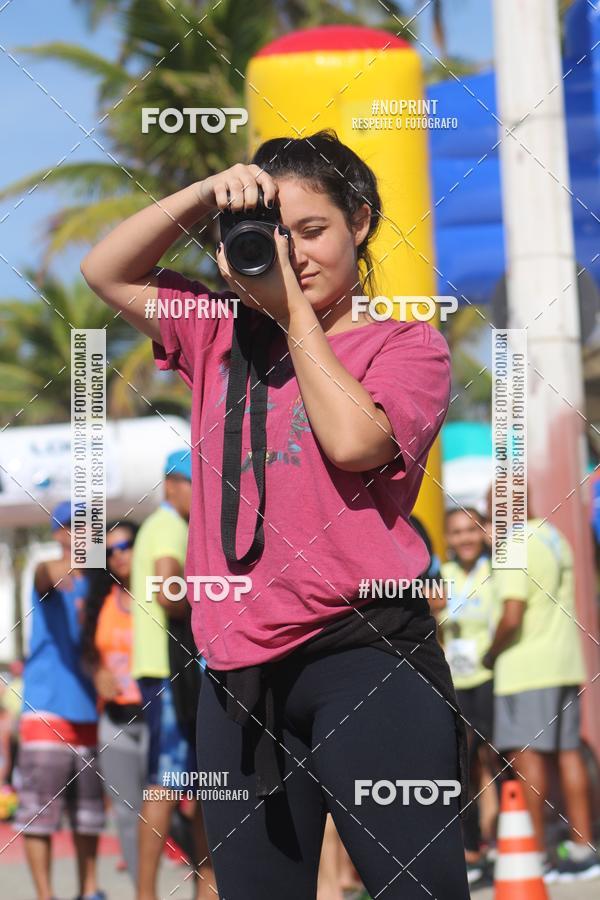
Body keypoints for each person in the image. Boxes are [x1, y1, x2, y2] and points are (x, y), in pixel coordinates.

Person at [81, 129, 471, 899]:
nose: (294, 254)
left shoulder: (407, 345)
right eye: (273, 235)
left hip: (366, 655)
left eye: (314, 231)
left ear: (360, 222)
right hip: (235, 675)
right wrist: (204, 196)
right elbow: (104, 270)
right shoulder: (220, 332)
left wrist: (288, 305)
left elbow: (357, 440)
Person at [483, 496, 600, 881]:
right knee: (568, 753)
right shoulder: (553, 536)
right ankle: (583, 848)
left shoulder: (513, 544)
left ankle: (533, 852)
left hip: (525, 667)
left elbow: (512, 614)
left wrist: (490, 654)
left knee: (526, 757)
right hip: (565, 661)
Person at [129, 451, 215, 900]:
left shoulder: (164, 525)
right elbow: (167, 592)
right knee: (165, 784)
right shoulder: (167, 526)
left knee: (200, 783)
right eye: (193, 483)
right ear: (172, 484)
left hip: (169, 670)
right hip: (168, 672)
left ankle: (209, 887)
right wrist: (210, 605)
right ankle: (146, 893)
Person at [13, 501, 106, 900]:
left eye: (89, 527)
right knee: (39, 818)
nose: (83, 533)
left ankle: (89, 891)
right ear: (57, 534)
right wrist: (57, 566)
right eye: (73, 526)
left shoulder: (102, 583)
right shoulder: (50, 574)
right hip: (45, 713)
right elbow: (40, 575)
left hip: (88, 714)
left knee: (89, 818)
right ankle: (45, 896)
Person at [81, 520, 146, 884]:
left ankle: (206, 881)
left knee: (177, 807)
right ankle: (144, 890)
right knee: (125, 813)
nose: (119, 556)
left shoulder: (161, 592)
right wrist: (96, 673)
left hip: (157, 717)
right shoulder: (101, 601)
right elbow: (87, 651)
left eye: (126, 546)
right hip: (116, 720)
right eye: (110, 552)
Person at [439, 506, 499, 887]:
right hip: (455, 684)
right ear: (447, 538)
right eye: (457, 532)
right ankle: (473, 848)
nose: (464, 538)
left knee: (495, 761)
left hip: (492, 678)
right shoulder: (441, 577)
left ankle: (501, 841)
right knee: (465, 769)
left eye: (471, 530)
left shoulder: (496, 571)